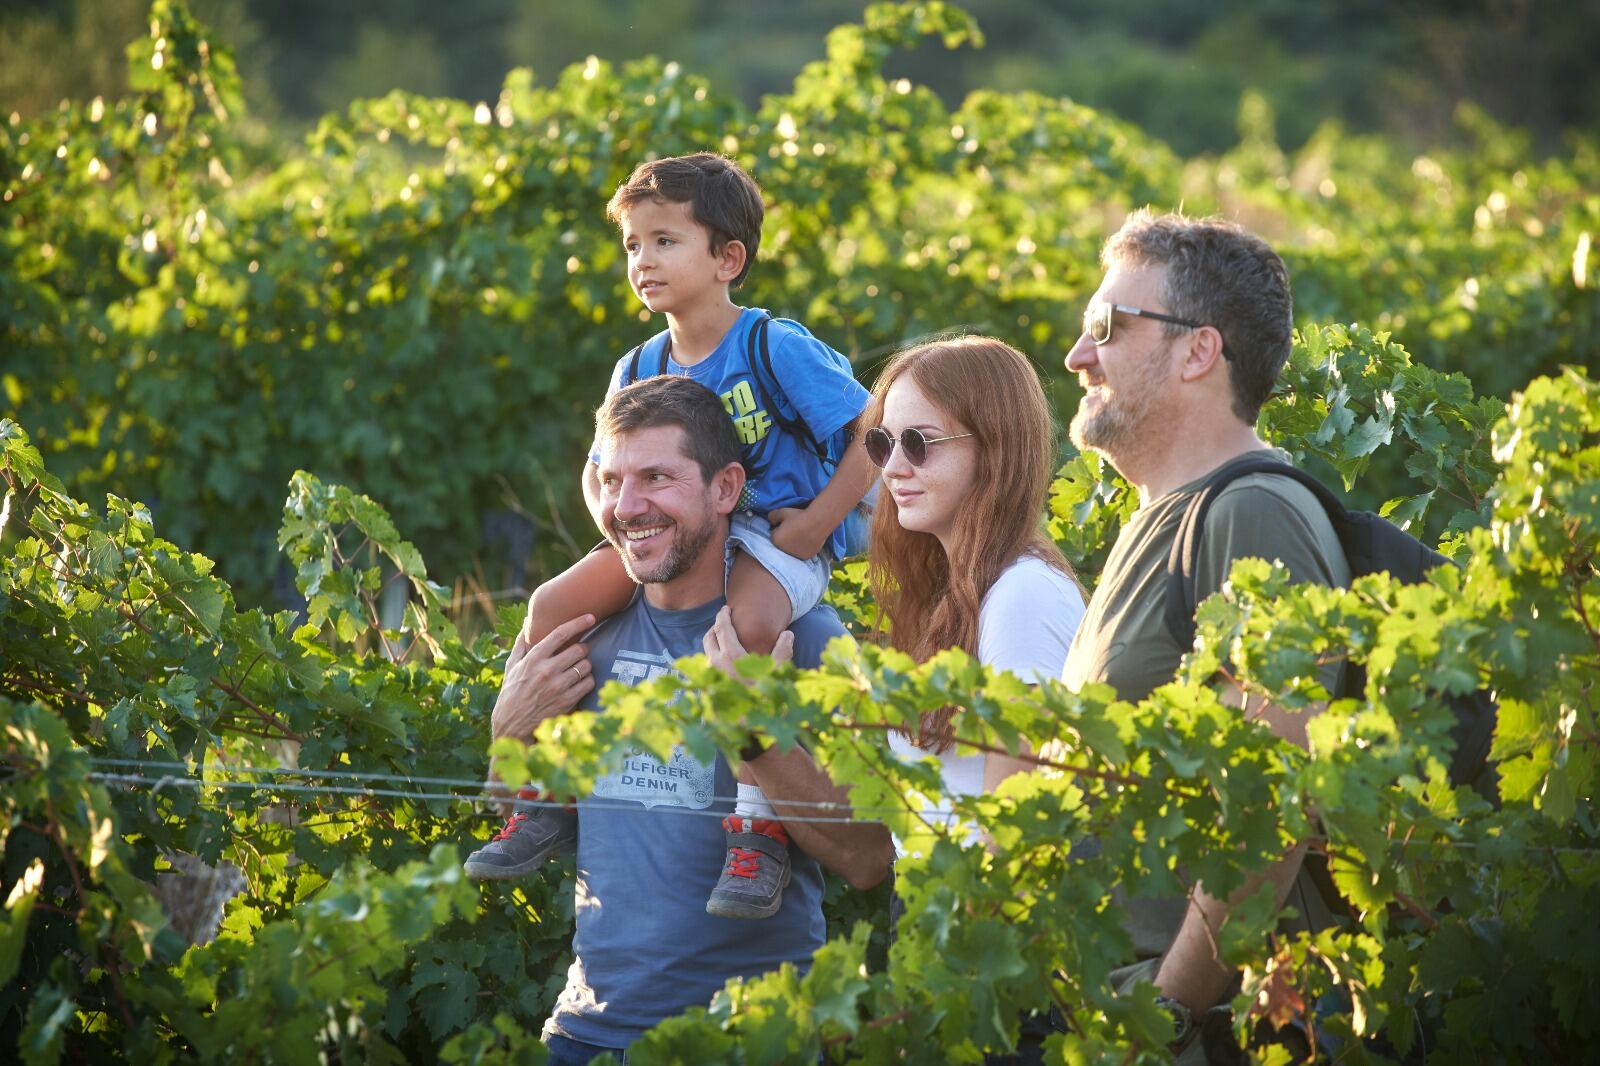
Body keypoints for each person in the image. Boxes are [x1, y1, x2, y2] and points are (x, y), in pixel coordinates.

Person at [464, 153, 878, 919]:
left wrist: (815, 525)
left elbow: (873, 432)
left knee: (748, 628)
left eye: (664, 241)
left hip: (771, 537)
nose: (642, 261)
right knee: (553, 605)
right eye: (631, 245)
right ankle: (543, 797)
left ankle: (756, 834)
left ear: (728, 259)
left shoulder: (773, 346)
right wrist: (619, 527)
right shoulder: (639, 364)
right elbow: (599, 472)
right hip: (671, 532)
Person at [486, 374, 893, 1063]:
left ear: (726, 488)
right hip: (585, 1036)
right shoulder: (581, 633)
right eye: (611, 481)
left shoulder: (806, 641)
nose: (626, 506)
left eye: (655, 478)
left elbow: (869, 857)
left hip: (752, 1043)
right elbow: (504, 798)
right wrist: (506, 729)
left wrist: (752, 731)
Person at [1059, 210, 1350, 1057]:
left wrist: (1167, 1009)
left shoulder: (1252, 514)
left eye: (1107, 328)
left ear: (1198, 351)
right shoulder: (1155, 521)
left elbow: (1270, 810)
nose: (1079, 357)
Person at [863, 336, 1086, 1064]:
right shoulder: (947, 593)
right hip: (935, 931)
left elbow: (1015, 834)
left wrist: (940, 987)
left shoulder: (1021, 596)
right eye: (882, 441)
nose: (893, 466)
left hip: (990, 962)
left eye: (919, 443)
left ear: (993, 449)